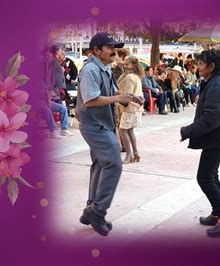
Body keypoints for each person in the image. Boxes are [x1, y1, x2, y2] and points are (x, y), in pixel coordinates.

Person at [76, 32, 141, 236]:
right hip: (94, 126)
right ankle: (98, 211)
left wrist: (129, 98)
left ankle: (90, 209)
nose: (114, 51)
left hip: (103, 124)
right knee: (114, 164)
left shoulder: (105, 68)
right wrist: (117, 98)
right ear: (96, 50)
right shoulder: (91, 70)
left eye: (115, 47)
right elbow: (90, 100)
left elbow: (114, 95)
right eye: (109, 47)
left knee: (100, 164)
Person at [180, 49, 220, 237]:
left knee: (204, 178)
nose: (198, 67)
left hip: (217, 138)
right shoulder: (216, 82)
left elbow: (212, 119)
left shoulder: (216, 86)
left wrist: (187, 131)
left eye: (201, 64)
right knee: (212, 175)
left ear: (211, 66)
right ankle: (217, 212)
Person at [117, 55, 145, 163]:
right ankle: (135, 153)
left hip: (129, 108)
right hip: (135, 108)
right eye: (124, 63)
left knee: (122, 130)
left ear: (133, 65)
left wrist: (117, 95)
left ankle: (129, 155)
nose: (125, 65)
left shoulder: (129, 77)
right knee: (129, 130)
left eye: (127, 64)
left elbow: (128, 94)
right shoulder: (136, 76)